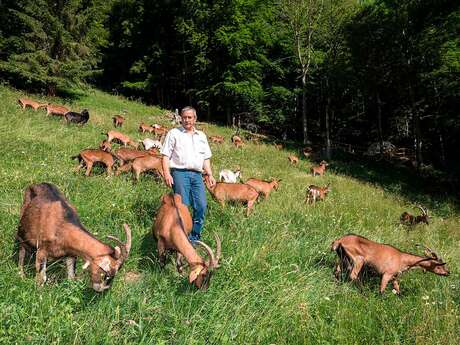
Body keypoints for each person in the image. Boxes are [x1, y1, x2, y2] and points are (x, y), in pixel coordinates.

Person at [160, 106, 216, 243]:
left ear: (195, 119)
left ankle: (194, 236)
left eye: (189, 117)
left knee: (201, 205)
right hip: (179, 173)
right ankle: (181, 237)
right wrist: (167, 174)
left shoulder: (201, 136)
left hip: (197, 175)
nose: (186, 120)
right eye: (184, 117)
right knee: (183, 206)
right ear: (180, 118)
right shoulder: (174, 133)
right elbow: (165, 155)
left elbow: (206, 158)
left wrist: (210, 174)